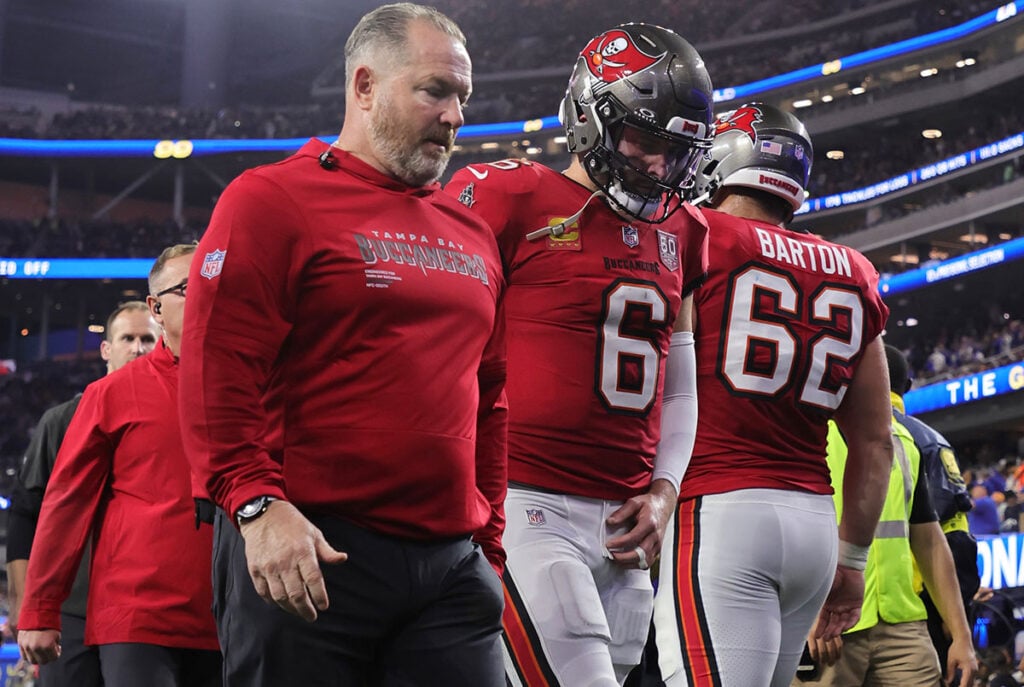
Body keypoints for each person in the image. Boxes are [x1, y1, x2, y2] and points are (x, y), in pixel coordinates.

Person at [177, 4, 508, 686]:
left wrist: (491, 542)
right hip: (310, 550)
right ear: (363, 86)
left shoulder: (472, 232)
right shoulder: (270, 198)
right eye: (435, 91)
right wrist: (255, 504)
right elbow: (217, 369)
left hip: (451, 566)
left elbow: (492, 395)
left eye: (463, 98)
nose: (455, 116)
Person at [445, 23, 713, 686]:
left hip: (627, 523)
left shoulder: (685, 229)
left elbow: (678, 384)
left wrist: (664, 490)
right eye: (645, 141)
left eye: (674, 150)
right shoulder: (512, 196)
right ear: (592, 118)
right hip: (527, 501)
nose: (657, 166)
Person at [651, 102, 893, 686]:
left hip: (720, 511)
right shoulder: (854, 269)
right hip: (813, 524)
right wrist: (854, 559)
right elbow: (875, 440)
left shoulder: (695, 233)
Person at [17, 245, 221, 687]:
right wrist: (39, 608)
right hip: (138, 617)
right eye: (189, 288)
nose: (207, 295)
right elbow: (65, 506)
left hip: (236, 614)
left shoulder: (259, 384)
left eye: (216, 283)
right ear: (156, 308)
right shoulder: (110, 394)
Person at [795, 344, 977, 686]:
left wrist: (961, 635)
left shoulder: (905, 442)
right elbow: (783, 534)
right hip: (825, 627)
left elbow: (930, 542)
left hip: (903, 626)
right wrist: (803, 614)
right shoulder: (805, 433)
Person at [5, 301, 158, 687]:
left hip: (143, 609)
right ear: (107, 349)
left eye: (147, 339)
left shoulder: (176, 416)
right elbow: (26, 513)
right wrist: (24, 604)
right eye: (128, 338)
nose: (138, 348)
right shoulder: (61, 421)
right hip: (71, 609)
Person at [888, 348, 980, 670]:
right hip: (921, 609)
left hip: (875, 610)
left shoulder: (839, 432)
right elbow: (957, 536)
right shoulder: (930, 439)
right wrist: (956, 614)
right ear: (908, 385)